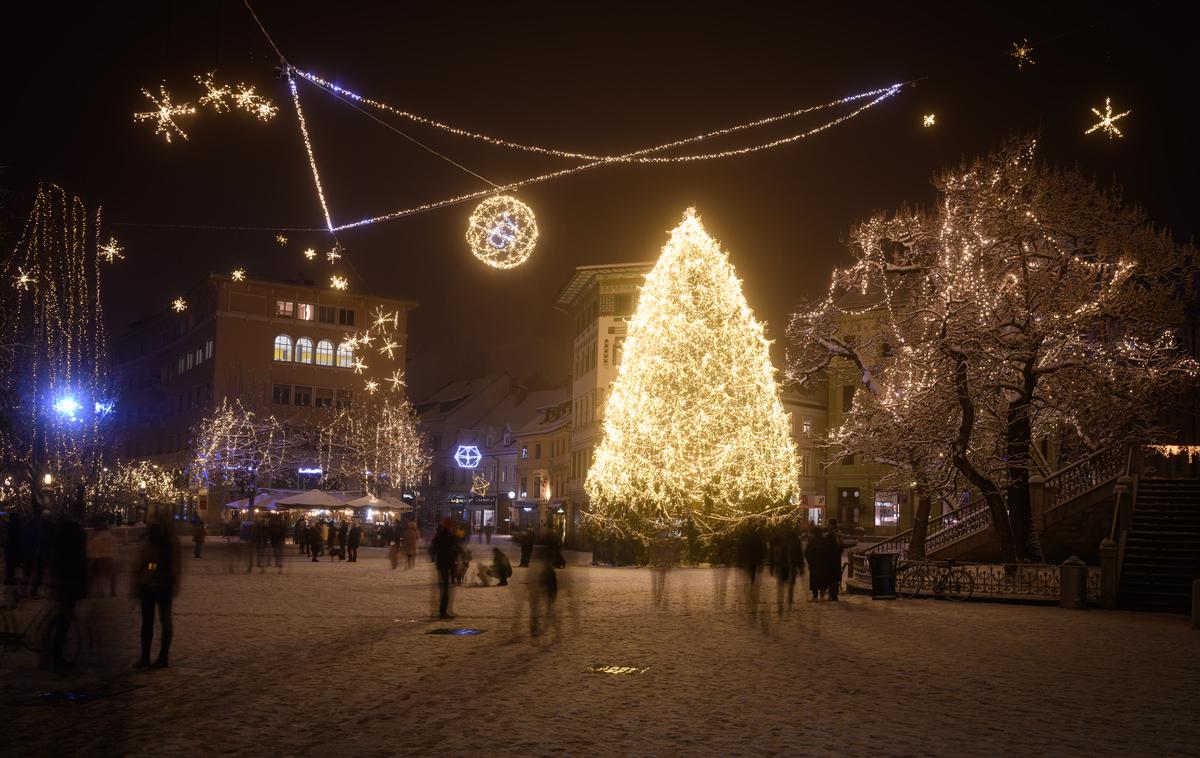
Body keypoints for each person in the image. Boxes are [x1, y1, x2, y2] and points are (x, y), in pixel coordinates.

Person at [134, 518, 181, 669]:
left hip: (152, 586)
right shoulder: (172, 544)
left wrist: (148, 570)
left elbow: (150, 564)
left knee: (149, 622)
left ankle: (148, 657)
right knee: (163, 620)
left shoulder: (158, 546)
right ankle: (160, 657)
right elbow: (175, 566)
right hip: (163, 586)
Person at [48, 511, 88, 670]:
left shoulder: (59, 534)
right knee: (65, 617)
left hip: (61, 578)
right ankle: (57, 653)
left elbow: (54, 556)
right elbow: (81, 559)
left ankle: (54, 650)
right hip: (73, 580)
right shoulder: (78, 534)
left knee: (62, 616)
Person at [430, 521, 459, 619]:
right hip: (447, 565)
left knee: (444, 589)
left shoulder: (440, 536)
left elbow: (433, 547)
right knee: (446, 590)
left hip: (442, 564)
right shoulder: (450, 536)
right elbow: (453, 551)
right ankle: (443, 612)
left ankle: (443, 610)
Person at [88, 519, 118, 597]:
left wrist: (91, 563)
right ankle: (113, 591)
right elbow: (115, 551)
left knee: (98, 576)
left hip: (99, 560)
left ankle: (100, 592)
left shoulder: (96, 539)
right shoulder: (113, 538)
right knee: (112, 575)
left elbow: (93, 552)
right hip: (110, 559)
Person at [805, 526, 829, 601]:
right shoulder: (824, 540)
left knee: (814, 580)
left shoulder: (813, 541)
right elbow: (828, 552)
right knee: (822, 579)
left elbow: (807, 552)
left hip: (814, 564)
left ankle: (815, 596)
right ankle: (822, 595)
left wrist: (810, 561)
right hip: (823, 564)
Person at [825, 519, 844, 601]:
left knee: (833, 577)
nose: (827, 525)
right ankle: (832, 594)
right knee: (832, 577)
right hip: (833, 558)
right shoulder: (831, 534)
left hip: (833, 558)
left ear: (832, 525)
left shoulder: (836, 534)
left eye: (828, 524)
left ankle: (834, 595)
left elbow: (840, 546)